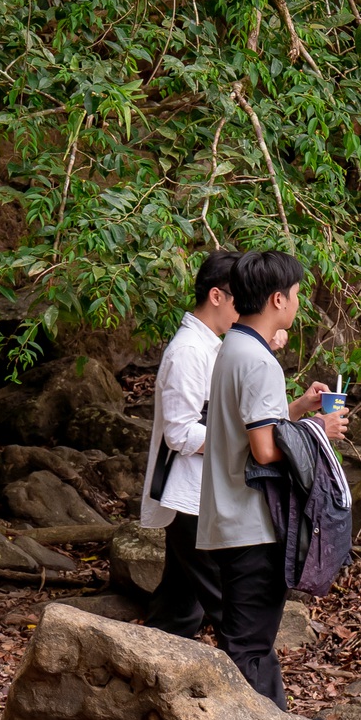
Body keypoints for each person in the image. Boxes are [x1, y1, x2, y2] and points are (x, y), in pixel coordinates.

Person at [196, 250, 347, 707]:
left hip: (229, 519)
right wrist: (319, 429)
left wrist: (296, 410)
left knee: (249, 643)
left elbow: (253, 428)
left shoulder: (234, 347)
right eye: (298, 295)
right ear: (278, 300)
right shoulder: (260, 362)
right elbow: (264, 449)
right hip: (253, 525)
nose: (299, 303)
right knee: (250, 648)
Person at [138, 249, 241, 641]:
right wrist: (242, 439)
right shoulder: (187, 352)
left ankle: (144, 676)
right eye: (241, 297)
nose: (247, 307)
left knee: (178, 608)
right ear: (217, 296)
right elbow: (179, 433)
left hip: (200, 494)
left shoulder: (211, 346)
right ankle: (261, 694)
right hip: (190, 498)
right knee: (229, 607)